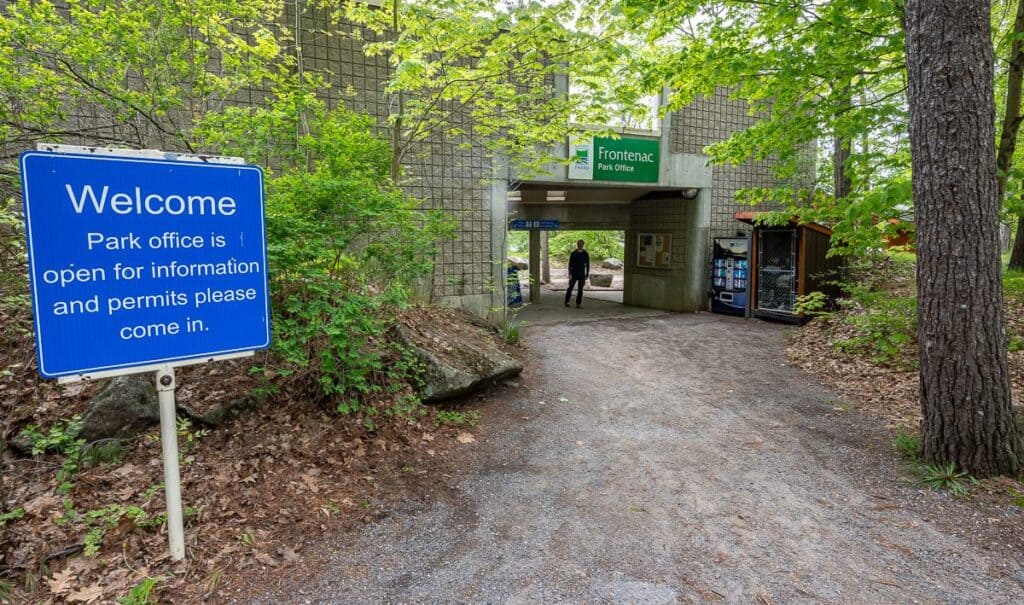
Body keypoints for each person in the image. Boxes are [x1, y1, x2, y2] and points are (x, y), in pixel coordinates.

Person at [564, 239, 590, 308]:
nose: (580, 245)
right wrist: (569, 274)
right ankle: (567, 302)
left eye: (581, 244)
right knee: (570, 288)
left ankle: (578, 304)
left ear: (583, 245)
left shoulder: (585, 254)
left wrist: (587, 274)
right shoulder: (573, 253)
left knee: (580, 290)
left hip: (582, 274)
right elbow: (570, 264)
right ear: (577, 244)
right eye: (579, 244)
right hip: (574, 273)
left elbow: (588, 265)